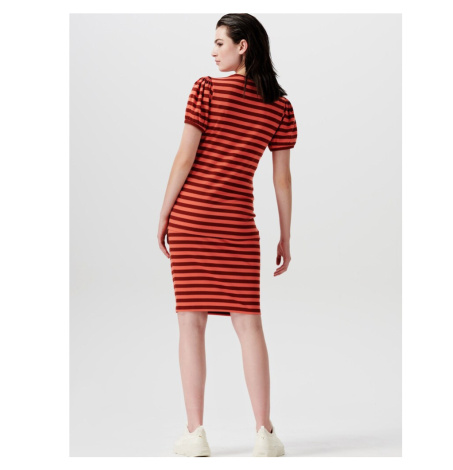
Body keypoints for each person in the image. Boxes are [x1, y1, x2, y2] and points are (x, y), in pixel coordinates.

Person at [158, 13, 298, 457]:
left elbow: (184, 157)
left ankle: (195, 433)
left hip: (191, 220)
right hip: (237, 226)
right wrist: (285, 236)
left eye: (220, 42)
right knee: (249, 323)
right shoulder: (280, 107)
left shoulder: (205, 89)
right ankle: (265, 433)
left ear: (243, 46)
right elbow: (281, 180)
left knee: (190, 323)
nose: (213, 51)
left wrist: (164, 214)